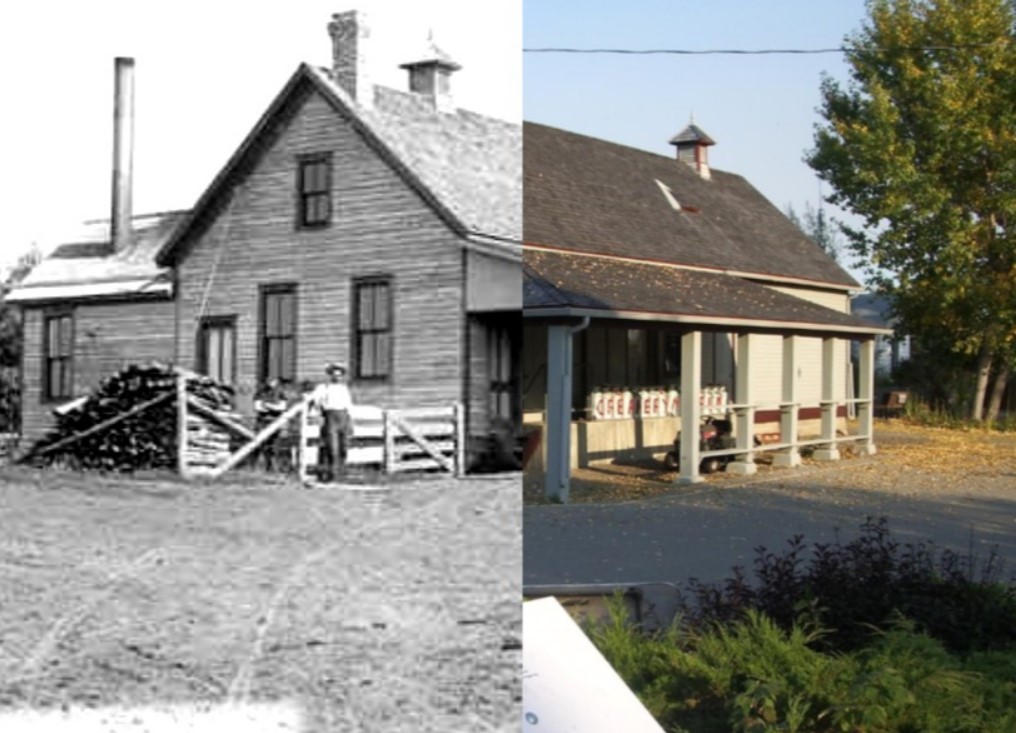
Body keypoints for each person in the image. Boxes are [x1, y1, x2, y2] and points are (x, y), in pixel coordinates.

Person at [310, 362, 353, 482]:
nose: (337, 377)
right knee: (332, 448)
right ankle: (330, 475)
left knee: (344, 447)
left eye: (339, 375)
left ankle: (341, 473)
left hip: (343, 417)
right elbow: (315, 402)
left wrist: (350, 422)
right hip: (330, 417)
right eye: (334, 375)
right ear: (330, 375)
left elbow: (348, 406)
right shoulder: (323, 388)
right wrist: (317, 415)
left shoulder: (344, 389)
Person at [254, 378, 289, 472]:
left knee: (275, 444)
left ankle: (275, 467)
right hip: (262, 421)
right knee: (262, 444)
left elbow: (282, 407)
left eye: (273, 381)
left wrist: (267, 406)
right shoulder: (260, 393)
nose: (271, 383)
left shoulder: (281, 393)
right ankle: (262, 466)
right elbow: (258, 408)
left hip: (276, 422)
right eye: (269, 381)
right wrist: (273, 407)